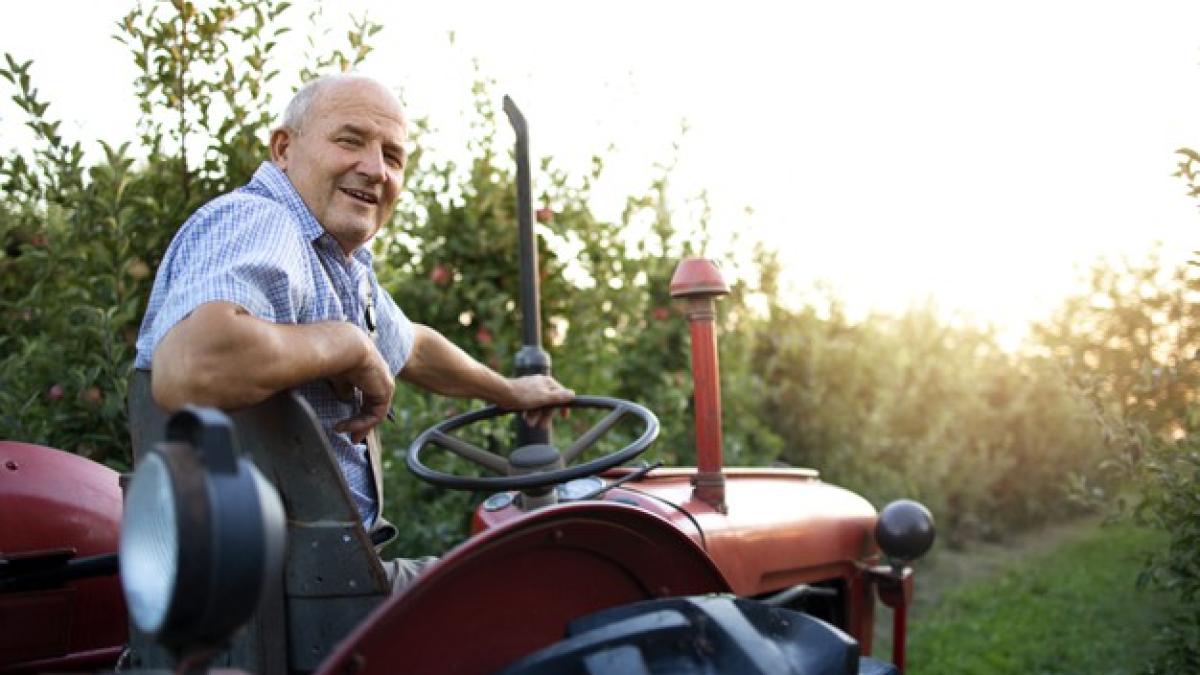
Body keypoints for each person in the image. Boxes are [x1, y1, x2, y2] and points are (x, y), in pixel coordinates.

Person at [134, 73, 574, 589]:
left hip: (310, 580)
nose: (374, 169)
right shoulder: (261, 223)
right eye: (350, 141)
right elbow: (193, 368)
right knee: (554, 582)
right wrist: (345, 344)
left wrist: (509, 391)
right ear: (284, 148)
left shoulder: (334, 263)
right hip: (294, 596)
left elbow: (413, 347)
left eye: (393, 156)